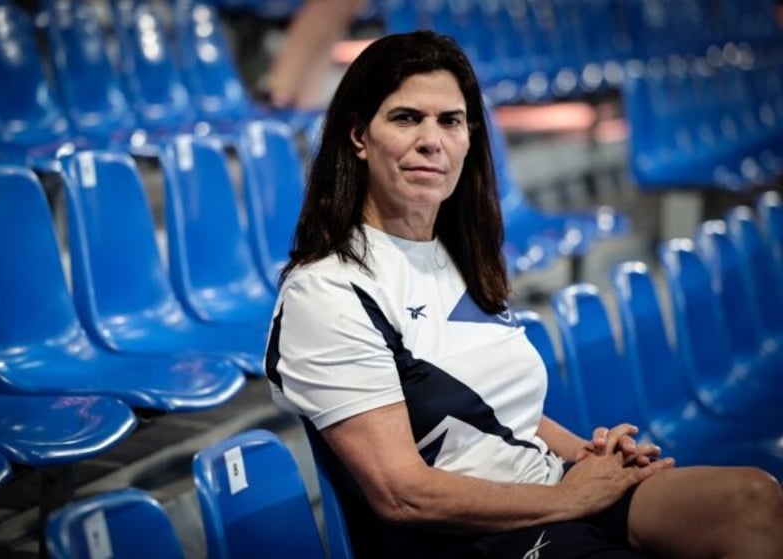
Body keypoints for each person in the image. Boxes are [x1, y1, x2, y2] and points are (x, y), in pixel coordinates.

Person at [265, 30, 783, 559]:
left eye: (450, 121)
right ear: (358, 136)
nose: (432, 140)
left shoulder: (452, 254)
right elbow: (402, 495)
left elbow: (504, 410)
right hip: (472, 535)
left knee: (752, 499)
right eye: (406, 118)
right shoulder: (327, 292)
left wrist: (589, 457)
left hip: (543, 490)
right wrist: (568, 498)